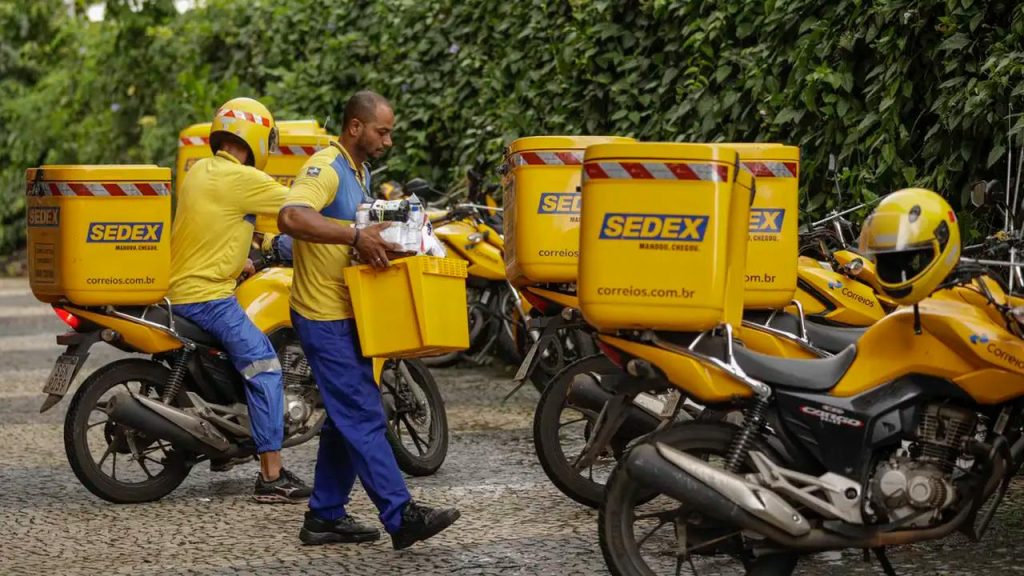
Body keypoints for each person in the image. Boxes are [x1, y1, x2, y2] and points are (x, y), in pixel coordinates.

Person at [278, 90, 460, 549]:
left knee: (345, 418)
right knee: (362, 412)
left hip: (350, 312)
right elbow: (292, 217)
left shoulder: (360, 173)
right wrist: (355, 236)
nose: (388, 141)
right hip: (322, 315)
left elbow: (354, 236)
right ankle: (401, 516)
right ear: (355, 127)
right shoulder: (326, 167)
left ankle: (324, 516)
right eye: (382, 131)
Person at [168, 97, 311, 503]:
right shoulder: (242, 179)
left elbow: (216, 227)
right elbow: (299, 209)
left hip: (180, 290)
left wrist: (243, 261)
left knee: (238, 360)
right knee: (265, 368)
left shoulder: (200, 171)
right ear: (257, 137)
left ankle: (225, 447)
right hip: (208, 298)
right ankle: (272, 477)